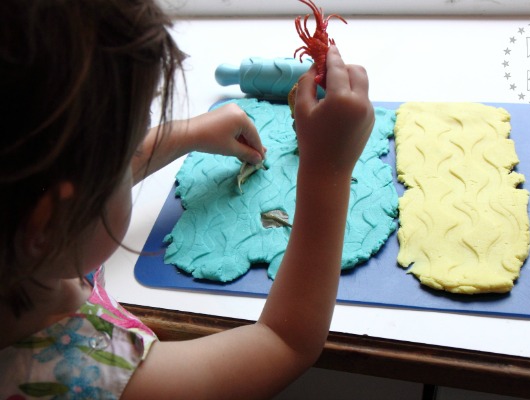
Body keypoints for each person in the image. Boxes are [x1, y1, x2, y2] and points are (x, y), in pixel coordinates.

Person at [0, 0, 375, 398]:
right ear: (49, 223)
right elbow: (285, 341)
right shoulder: (96, 380)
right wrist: (328, 170)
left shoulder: (24, 245)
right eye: (128, 153)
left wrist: (184, 134)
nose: (132, 161)